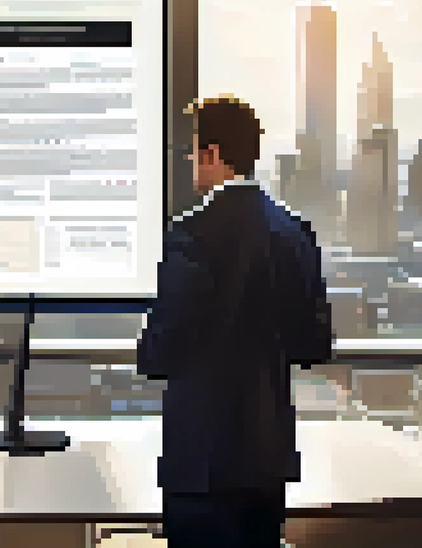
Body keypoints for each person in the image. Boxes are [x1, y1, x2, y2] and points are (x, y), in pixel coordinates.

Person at [137, 97, 335, 548]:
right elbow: (314, 344)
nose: (190, 163)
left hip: (202, 458)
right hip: (266, 458)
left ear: (211, 154)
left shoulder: (191, 233)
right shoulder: (294, 231)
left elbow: (163, 348)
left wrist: (148, 349)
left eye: (192, 153)